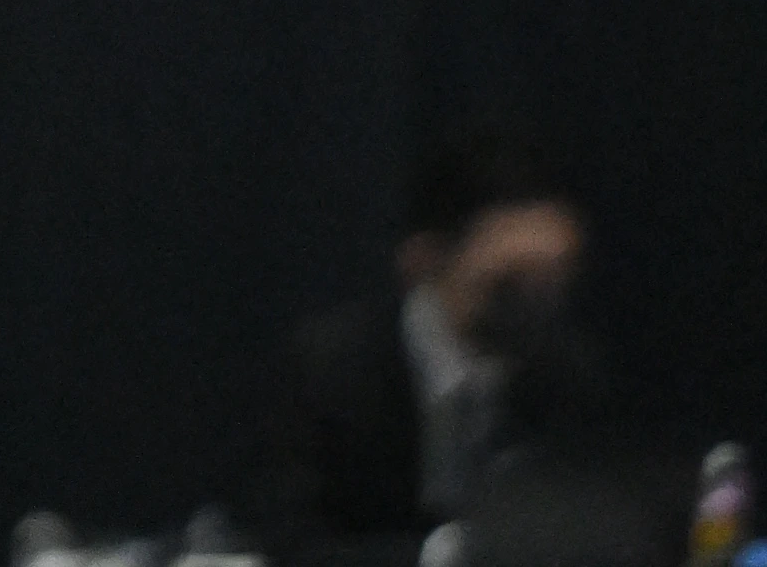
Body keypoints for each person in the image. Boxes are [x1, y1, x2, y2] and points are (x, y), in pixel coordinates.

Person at [260, 130, 608, 567]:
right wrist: (446, 556)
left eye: (556, 276)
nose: (538, 307)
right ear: (423, 260)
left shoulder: (563, 373)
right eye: (509, 285)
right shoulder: (330, 366)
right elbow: (291, 544)